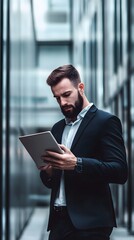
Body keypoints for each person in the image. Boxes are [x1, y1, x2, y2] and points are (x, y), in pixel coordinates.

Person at [39, 64, 128, 240]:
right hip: (58, 224)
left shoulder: (106, 121)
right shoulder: (57, 128)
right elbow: (51, 182)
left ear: (81, 87)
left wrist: (77, 164)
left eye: (66, 95)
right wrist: (48, 172)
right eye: (57, 98)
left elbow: (120, 171)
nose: (62, 102)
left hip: (91, 225)